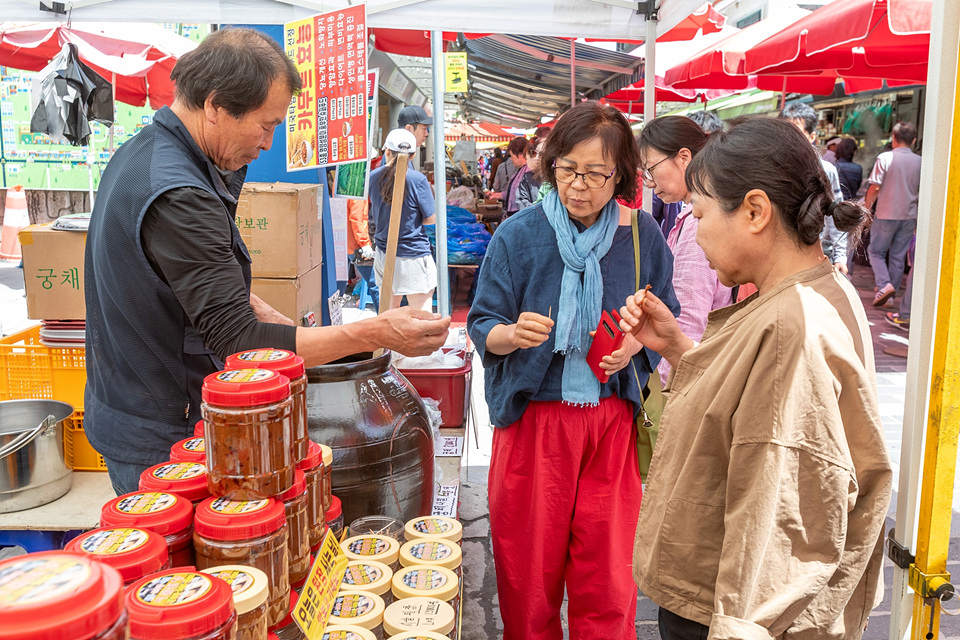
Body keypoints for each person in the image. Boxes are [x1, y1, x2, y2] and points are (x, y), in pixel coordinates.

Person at [84, 28, 450, 496]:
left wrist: (260, 310)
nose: (269, 143)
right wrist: (374, 332)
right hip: (163, 432)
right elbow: (238, 341)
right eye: (266, 125)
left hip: (140, 407)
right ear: (216, 106)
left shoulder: (149, 153)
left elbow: (188, 284)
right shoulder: (180, 194)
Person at [622, 117, 891, 640]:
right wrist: (676, 345)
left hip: (724, 612)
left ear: (754, 211)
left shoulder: (791, 324)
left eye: (700, 213)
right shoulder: (810, 294)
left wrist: (738, 627)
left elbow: (771, 521)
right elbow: (742, 410)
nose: (697, 232)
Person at [467, 101, 679, 640]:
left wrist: (634, 347)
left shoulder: (642, 236)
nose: (577, 186)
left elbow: (664, 316)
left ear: (621, 175)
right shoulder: (519, 234)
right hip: (533, 424)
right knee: (527, 578)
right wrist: (512, 334)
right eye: (567, 169)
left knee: (608, 580)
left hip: (610, 425)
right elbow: (482, 322)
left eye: (594, 173)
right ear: (551, 164)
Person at [638, 115, 732, 384]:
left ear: (683, 157)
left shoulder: (696, 224)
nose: (649, 183)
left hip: (689, 376)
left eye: (651, 169)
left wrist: (668, 385)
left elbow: (688, 320)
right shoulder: (701, 213)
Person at [369, 128, 437, 312]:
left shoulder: (373, 178)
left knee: (389, 316)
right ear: (412, 155)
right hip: (413, 256)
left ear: (387, 152)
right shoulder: (417, 179)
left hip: (383, 254)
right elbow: (431, 219)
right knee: (422, 318)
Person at [780, 103, 847, 274]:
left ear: (812, 136)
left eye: (797, 132)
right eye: (785, 131)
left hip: (815, 254)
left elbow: (835, 213)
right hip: (778, 254)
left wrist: (840, 256)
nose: (789, 138)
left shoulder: (826, 171)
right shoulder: (773, 168)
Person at [865, 121, 922, 306]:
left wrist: (866, 207)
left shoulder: (885, 158)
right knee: (898, 257)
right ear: (914, 140)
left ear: (893, 137)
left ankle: (884, 285)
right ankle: (890, 296)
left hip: (886, 213)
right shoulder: (920, 161)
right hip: (909, 215)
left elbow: (875, 187)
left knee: (875, 252)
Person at [503, 135, 542, 216]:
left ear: (521, 155)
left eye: (512, 156)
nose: (511, 159)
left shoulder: (530, 173)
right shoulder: (520, 171)